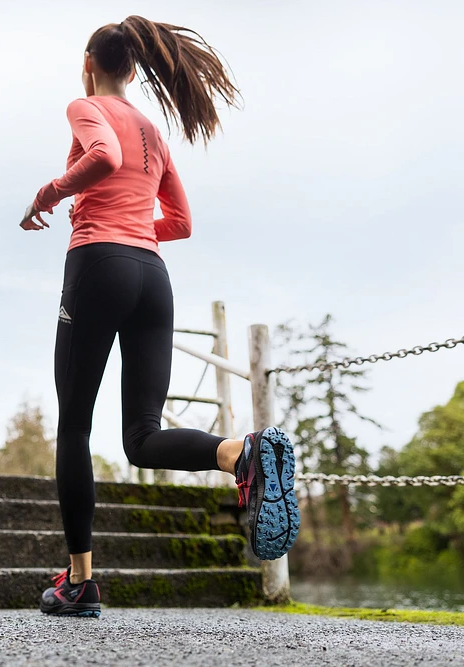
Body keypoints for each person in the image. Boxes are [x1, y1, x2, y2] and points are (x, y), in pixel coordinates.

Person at [19, 16, 300, 618]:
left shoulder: (84, 104)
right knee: (142, 438)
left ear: (89, 62)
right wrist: (131, 232)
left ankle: (80, 582)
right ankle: (240, 455)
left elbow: (101, 156)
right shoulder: (154, 131)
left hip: (98, 266)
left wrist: (49, 195)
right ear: (135, 67)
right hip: (153, 278)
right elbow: (181, 223)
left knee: (74, 426)